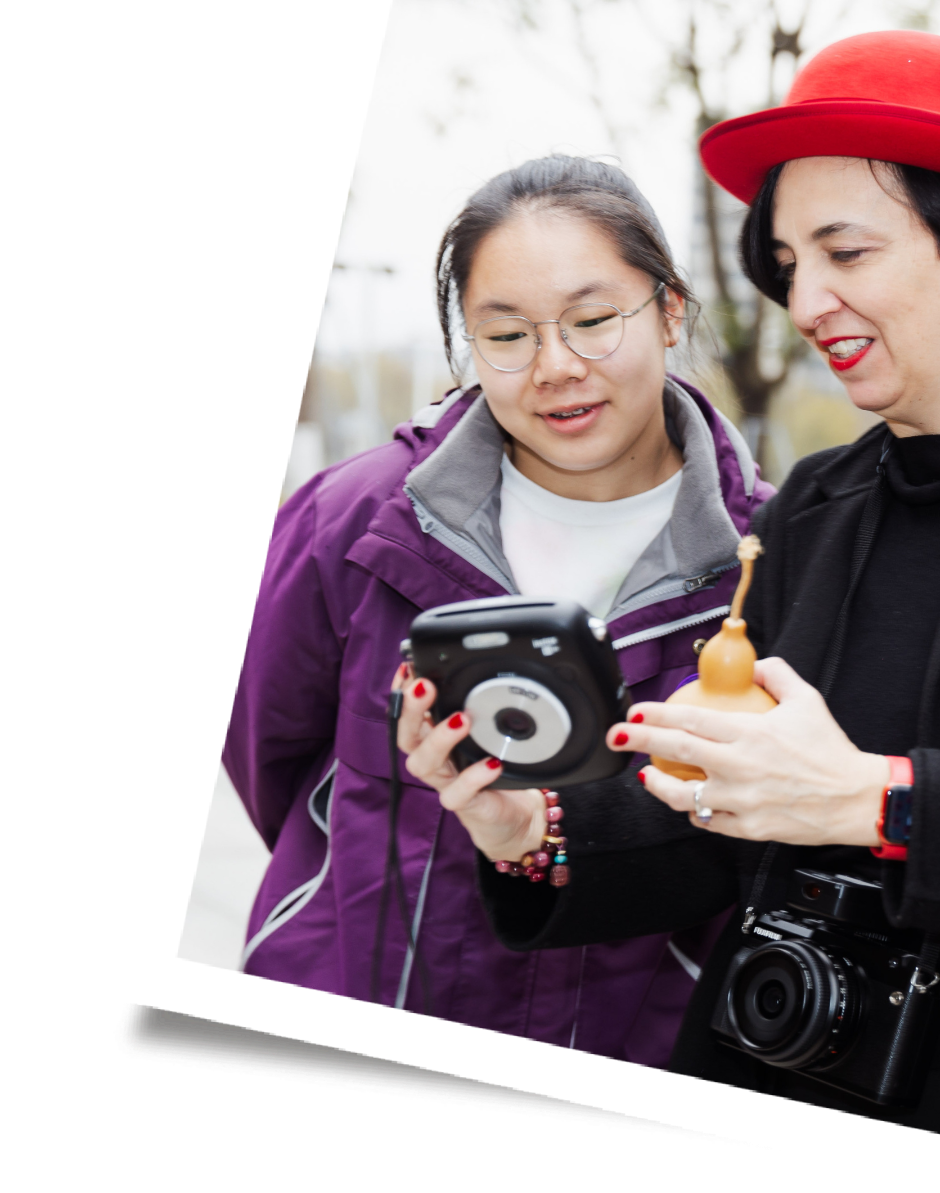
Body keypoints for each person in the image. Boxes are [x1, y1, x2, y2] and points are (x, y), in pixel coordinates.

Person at [397, 32, 940, 1150]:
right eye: (786, 260)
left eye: (846, 252)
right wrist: (531, 828)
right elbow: (718, 813)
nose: (804, 298)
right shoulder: (812, 504)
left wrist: (881, 802)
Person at [225, 155, 772, 1065]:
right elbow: (266, 758)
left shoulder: (769, 563)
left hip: (625, 1059)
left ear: (670, 310)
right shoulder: (355, 520)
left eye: (595, 321)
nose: (555, 367)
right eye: (507, 335)